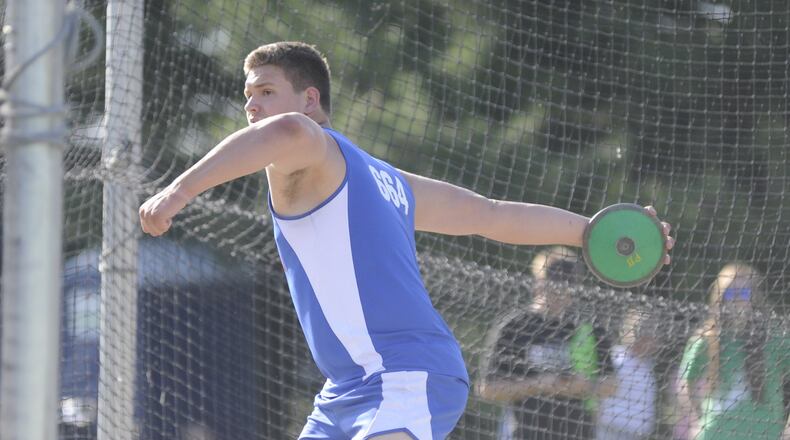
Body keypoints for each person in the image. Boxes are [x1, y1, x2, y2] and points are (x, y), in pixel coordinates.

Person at [138, 41, 673, 440]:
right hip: (346, 390)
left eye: (266, 91)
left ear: (309, 99)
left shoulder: (299, 136)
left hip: (407, 371)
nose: (252, 106)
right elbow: (491, 215)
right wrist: (594, 233)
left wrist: (177, 193)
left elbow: (276, 135)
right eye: (247, 96)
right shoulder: (385, 178)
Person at [478, 247, 617, 440]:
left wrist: (584, 386)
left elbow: (611, 384)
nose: (557, 292)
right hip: (526, 432)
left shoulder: (591, 327)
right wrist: (538, 385)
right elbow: (488, 389)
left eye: (565, 285)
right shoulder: (515, 326)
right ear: (538, 282)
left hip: (579, 432)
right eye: (551, 283)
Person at [677, 263, 790, 440]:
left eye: (744, 293)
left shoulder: (775, 338)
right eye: (731, 293)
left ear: (755, 297)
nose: (737, 300)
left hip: (765, 434)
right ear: (720, 298)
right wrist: (695, 421)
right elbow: (684, 385)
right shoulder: (706, 339)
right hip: (715, 434)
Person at [595, 306, 660, 440]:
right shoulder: (616, 357)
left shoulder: (648, 365)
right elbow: (601, 389)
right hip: (613, 429)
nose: (644, 337)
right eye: (637, 330)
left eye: (649, 332)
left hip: (638, 433)